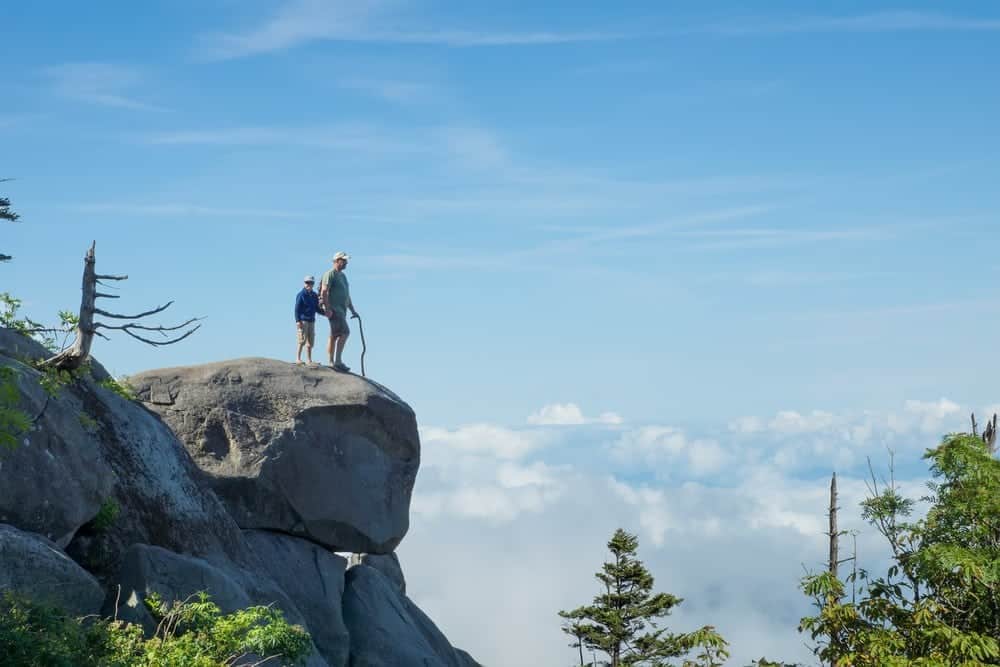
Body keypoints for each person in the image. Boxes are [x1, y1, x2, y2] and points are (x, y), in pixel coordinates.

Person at [320, 251, 359, 372]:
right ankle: (336, 361)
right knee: (344, 332)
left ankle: (334, 361)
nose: (346, 263)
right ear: (337, 261)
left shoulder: (343, 276)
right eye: (344, 260)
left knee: (335, 335)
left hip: (342, 310)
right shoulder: (330, 274)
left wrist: (353, 310)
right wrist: (327, 308)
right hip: (334, 309)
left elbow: (346, 295)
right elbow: (324, 291)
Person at [294, 275, 320, 366]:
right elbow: (297, 309)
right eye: (307, 282)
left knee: (310, 341)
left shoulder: (314, 295)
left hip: (312, 320)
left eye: (311, 283)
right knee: (302, 340)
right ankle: (298, 358)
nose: (309, 284)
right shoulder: (301, 294)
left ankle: (309, 360)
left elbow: (317, 308)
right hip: (303, 320)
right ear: (304, 283)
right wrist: (298, 320)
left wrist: (326, 313)